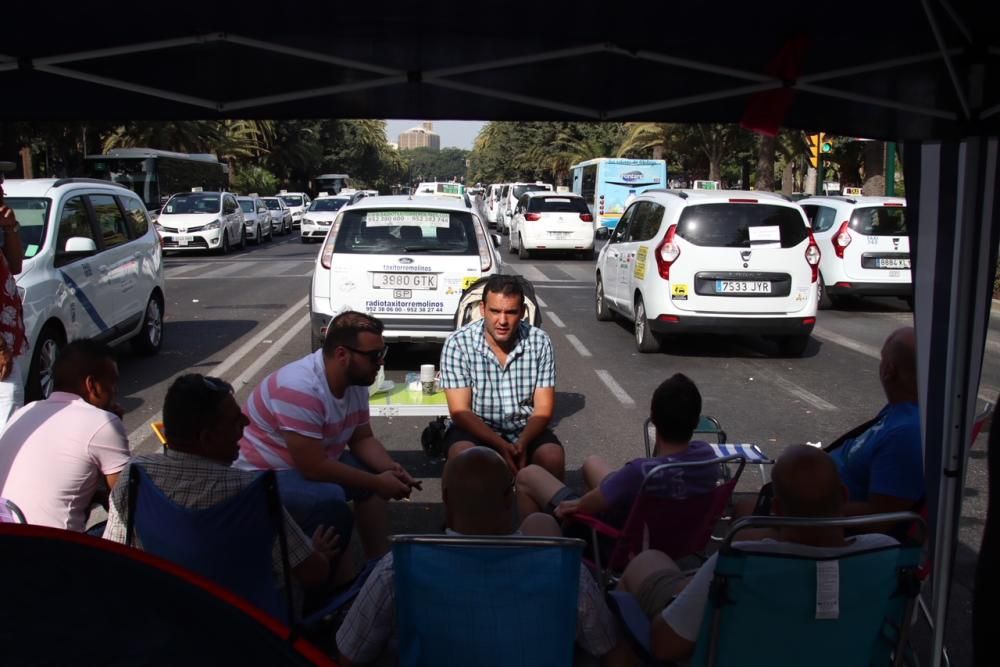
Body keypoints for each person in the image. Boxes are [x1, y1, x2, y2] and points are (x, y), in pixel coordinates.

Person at [335, 446, 623, 666]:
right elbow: (610, 650)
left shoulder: (399, 568)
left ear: (446, 500)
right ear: (509, 500)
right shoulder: (565, 571)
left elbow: (351, 652)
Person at [618, 445, 898, 663]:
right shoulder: (885, 555)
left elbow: (665, 645)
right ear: (845, 496)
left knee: (645, 563)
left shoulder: (742, 561)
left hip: (718, 640)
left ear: (776, 509)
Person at [103, 374, 348, 611]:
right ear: (207, 438)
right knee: (334, 514)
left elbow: (114, 555)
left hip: (168, 611)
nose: (246, 423)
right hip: (250, 623)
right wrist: (319, 555)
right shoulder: (250, 492)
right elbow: (313, 574)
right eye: (235, 421)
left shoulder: (134, 474)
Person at [236, 311, 417, 558]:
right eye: (375, 356)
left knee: (375, 474)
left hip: (308, 462)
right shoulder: (299, 387)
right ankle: (326, 581)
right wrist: (378, 482)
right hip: (263, 475)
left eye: (382, 353)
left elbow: (361, 438)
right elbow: (314, 467)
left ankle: (380, 567)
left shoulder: (356, 381)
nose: (381, 363)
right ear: (342, 354)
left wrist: (391, 469)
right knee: (329, 503)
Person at [515, 373, 719, 526]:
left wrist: (573, 506)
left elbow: (580, 505)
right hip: (668, 530)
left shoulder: (640, 472)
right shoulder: (706, 455)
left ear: (653, 418)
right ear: (695, 422)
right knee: (592, 463)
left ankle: (569, 541)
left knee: (527, 475)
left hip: (622, 538)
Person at [440, 274, 563, 479]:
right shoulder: (458, 343)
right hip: (477, 428)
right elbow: (460, 411)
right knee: (463, 455)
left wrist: (521, 443)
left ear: (522, 312)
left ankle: (547, 510)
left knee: (552, 457)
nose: (502, 321)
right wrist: (501, 446)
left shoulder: (540, 341)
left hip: (524, 428)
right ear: (483, 309)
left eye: (511, 312)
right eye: (495, 311)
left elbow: (544, 408)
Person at [0, 339, 127, 532]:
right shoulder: (102, 423)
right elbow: (125, 504)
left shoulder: (25, 411)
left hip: (11, 540)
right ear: (91, 384)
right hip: (55, 551)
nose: (115, 391)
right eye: (113, 383)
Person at [831, 326, 923, 516]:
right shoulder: (902, 409)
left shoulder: (906, 433)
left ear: (889, 371)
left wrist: (806, 512)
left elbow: (882, 517)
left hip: (821, 526)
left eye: (883, 360)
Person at [0, 162, 27, 432]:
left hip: (8, 339)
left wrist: (10, 228)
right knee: (8, 415)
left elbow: (16, 265)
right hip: (1, 347)